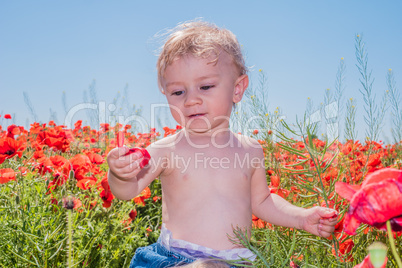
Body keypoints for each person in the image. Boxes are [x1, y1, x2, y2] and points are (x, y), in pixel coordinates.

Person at [107, 20, 338, 268]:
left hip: (240, 262)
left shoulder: (250, 149)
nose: (191, 100)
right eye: (178, 92)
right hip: (180, 261)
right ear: (165, 93)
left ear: (237, 89)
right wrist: (120, 175)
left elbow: (262, 202)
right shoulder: (167, 149)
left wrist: (301, 217)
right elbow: (126, 192)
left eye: (205, 87)